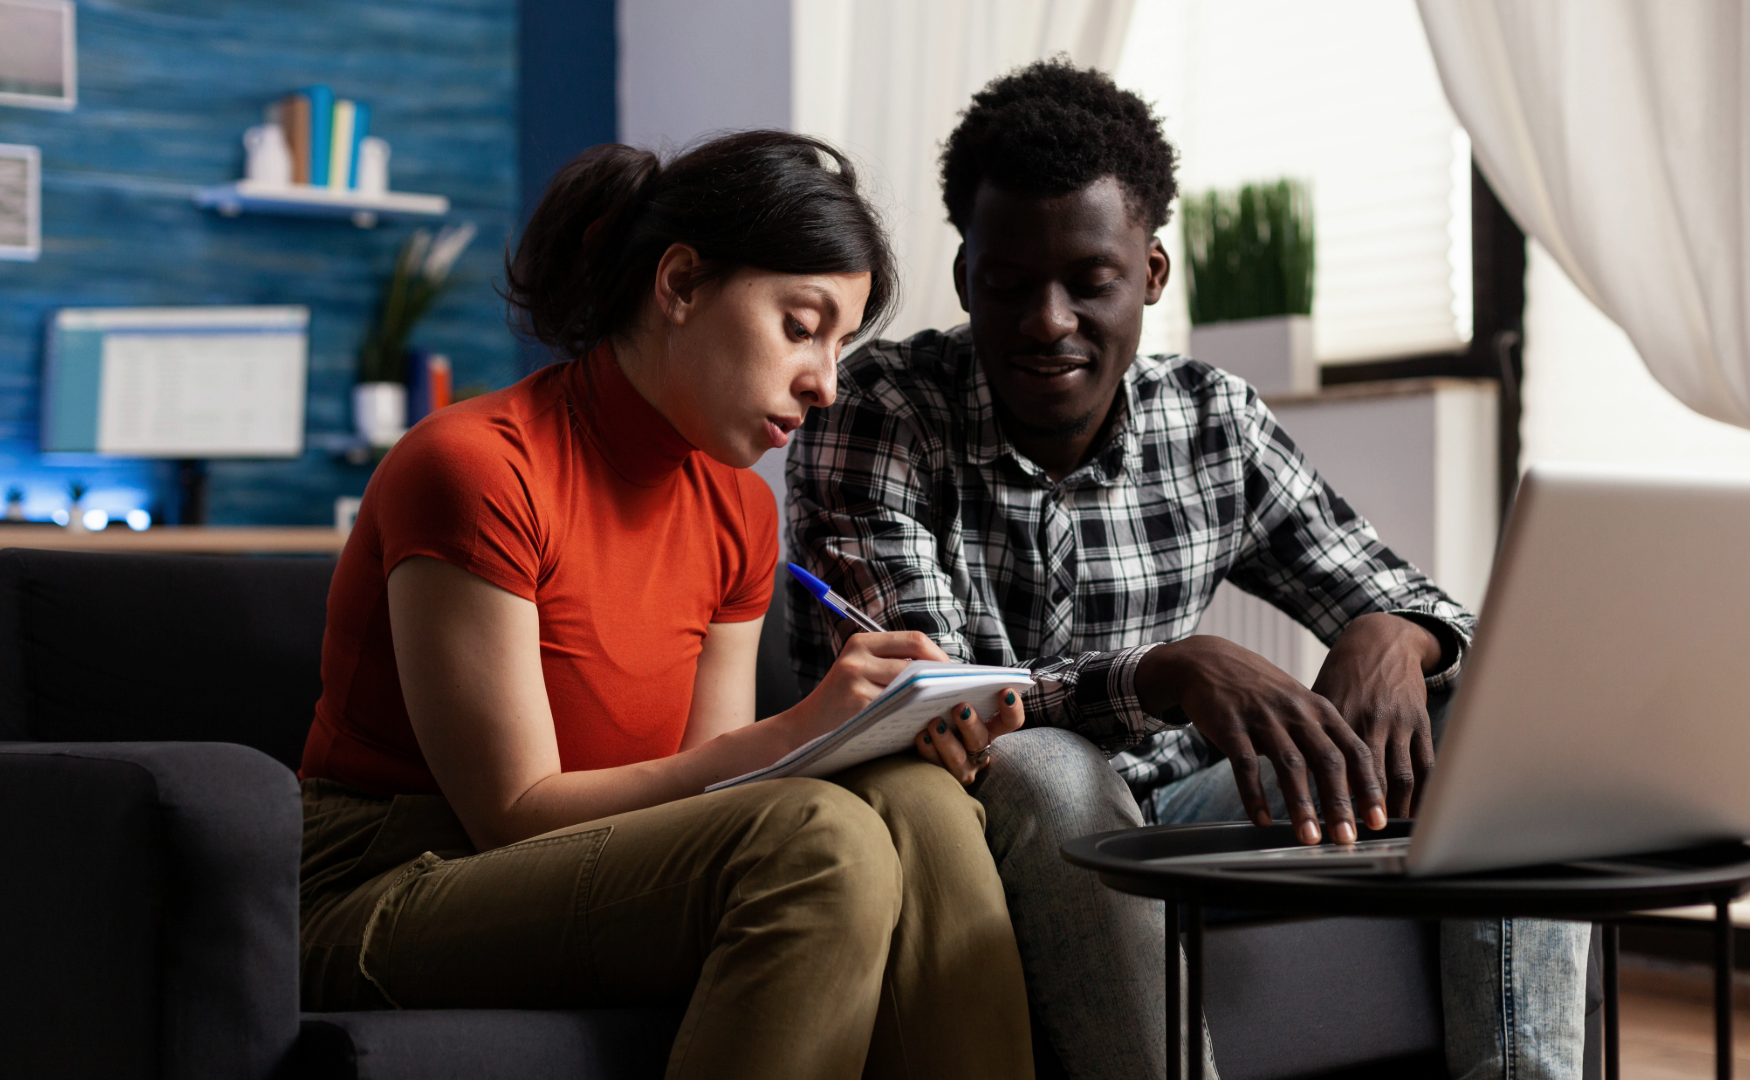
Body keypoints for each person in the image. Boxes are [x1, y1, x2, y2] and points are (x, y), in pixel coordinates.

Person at [787, 60, 1591, 1080]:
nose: (1046, 320)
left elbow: (1397, 589)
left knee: (1482, 694)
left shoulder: (1210, 417)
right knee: (1046, 768)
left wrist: (1394, 631)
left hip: (1183, 808)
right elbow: (942, 706)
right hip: (983, 817)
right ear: (964, 279)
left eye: (1089, 280)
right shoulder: (878, 412)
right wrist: (1165, 672)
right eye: (1008, 284)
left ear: (1152, 274)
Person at [297, 130, 1034, 1080]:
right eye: (801, 327)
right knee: (823, 844)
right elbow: (513, 817)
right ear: (680, 284)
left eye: (842, 345)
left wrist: (886, 727)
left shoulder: (737, 507)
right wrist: (803, 728)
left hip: (602, 862)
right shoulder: (476, 469)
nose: (825, 383)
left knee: (918, 800)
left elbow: (706, 785)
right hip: (387, 886)